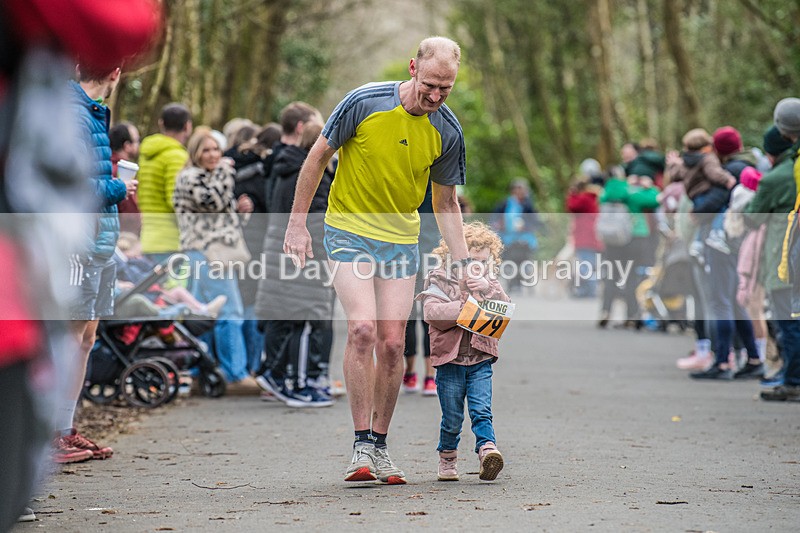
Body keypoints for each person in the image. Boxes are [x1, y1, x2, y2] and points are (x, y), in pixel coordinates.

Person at [283, 36, 470, 484]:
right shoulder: (363, 102)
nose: (436, 96)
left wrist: (464, 265)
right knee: (362, 328)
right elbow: (317, 156)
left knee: (392, 343)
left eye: (446, 88)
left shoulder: (447, 130)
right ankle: (360, 443)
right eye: (430, 84)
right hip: (348, 230)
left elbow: (446, 204)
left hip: (400, 241)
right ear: (412, 68)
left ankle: (380, 447)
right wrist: (296, 224)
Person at [57, 63, 139, 465]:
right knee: (68, 340)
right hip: (78, 245)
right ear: (116, 72)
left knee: (86, 339)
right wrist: (120, 187)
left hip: (102, 244)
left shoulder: (93, 113)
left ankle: (66, 429)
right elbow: (71, 186)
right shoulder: (72, 114)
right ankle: (50, 434)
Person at [417, 222, 509, 482]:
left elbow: (504, 310)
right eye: (471, 259)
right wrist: (465, 304)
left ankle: (487, 450)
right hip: (450, 361)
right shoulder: (440, 280)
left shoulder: (490, 284)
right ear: (453, 256)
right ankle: (447, 457)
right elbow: (432, 314)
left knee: (482, 410)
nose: (476, 266)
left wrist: (489, 290)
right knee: (452, 416)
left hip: (480, 359)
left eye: (482, 260)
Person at [255, 117, 335, 407]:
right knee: (304, 320)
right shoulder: (314, 177)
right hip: (303, 257)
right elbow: (316, 221)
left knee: (284, 318)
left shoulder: (284, 169)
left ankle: (276, 374)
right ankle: (299, 383)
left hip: (280, 252)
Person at [173, 129, 258, 393]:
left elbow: (221, 213)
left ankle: (201, 374)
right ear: (195, 152)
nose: (213, 155)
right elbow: (213, 201)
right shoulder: (190, 177)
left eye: (216, 150)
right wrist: (226, 172)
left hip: (210, 251)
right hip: (206, 252)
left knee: (202, 314)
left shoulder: (211, 177)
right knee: (230, 310)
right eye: (206, 150)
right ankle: (235, 374)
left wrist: (240, 211)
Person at [138, 103, 193, 259]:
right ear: (187, 126)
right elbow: (176, 200)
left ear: (160, 123)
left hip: (149, 237)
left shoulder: (147, 153)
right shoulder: (177, 156)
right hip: (170, 241)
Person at [491, 179, 540, 295]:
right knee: (509, 259)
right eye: (517, 189)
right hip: (508, 238)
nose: (520, 192)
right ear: (513, 190)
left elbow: (535, 222)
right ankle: (512, 283)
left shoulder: (528, 205)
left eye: (522, 189)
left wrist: (525, 226)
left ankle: (521, 282)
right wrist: (499, 224)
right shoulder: (505, 204)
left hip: (524, 239)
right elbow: (494, 219)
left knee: (522, 259)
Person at [109, 121, 142, 235]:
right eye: (137, 141)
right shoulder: (122, 172)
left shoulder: (105, 167)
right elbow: (128, 209)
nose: (139, 145)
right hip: (120, 235)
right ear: (127, 146)